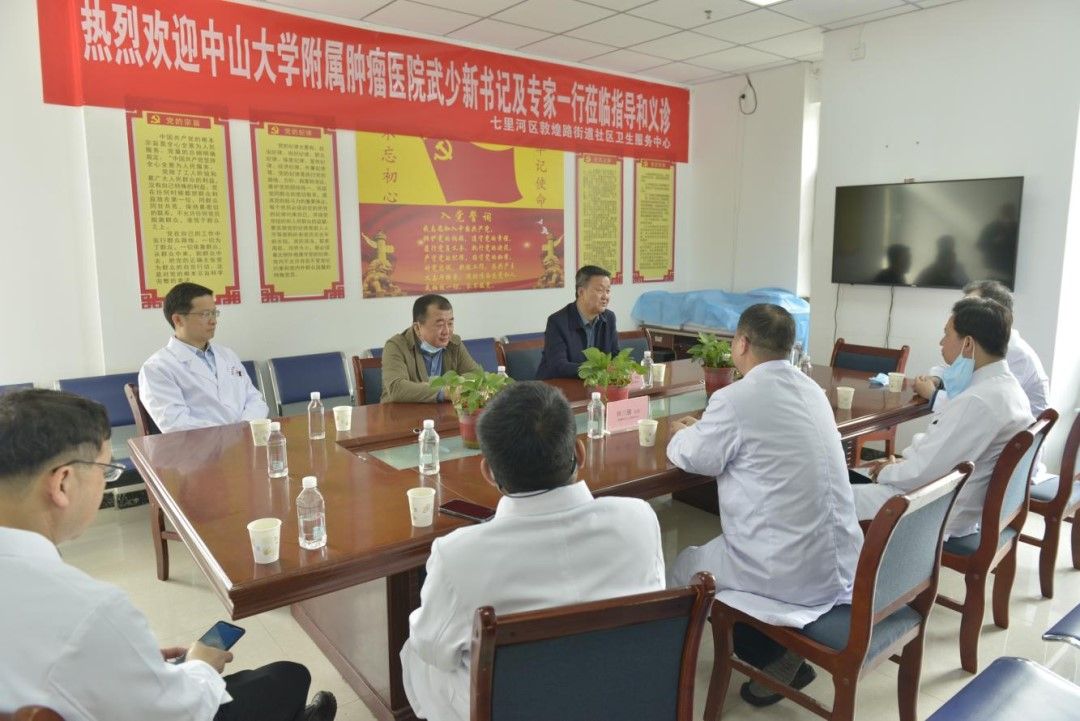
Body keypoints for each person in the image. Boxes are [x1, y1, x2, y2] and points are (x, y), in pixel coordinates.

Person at [0, 389, 335, 721]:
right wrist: (201, 664)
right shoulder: (90, 611)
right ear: (63, 483)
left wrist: (127, 661)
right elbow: (181, 711)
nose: (105, 483)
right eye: (105, 471)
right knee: (288, 676)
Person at [400, 382, 665, 721]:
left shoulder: (458, 556)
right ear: (580, 452)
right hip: (619, 700)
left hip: (512, 708)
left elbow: (432, 649)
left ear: (488, 472)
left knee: (418, 653)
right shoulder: (639, 518)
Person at [666, 304, 862, 707]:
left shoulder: (735, 399)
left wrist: (680, 433)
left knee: (684, 568)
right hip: (841, 559)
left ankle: (758, 658)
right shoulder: (811, 390)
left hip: (783, 566)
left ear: (741, 343)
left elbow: (695, 457)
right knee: (712, 557)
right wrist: (707, 431)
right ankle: (778, 652)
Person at [854, 297, 1033, 537]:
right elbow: (936, 461)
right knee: (848, 484)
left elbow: (923, 474)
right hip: (956, 502)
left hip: (934, 513)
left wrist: (885, 471)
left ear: (968, 344)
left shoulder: (978, 401)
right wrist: (899, 466)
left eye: (946, 334)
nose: (941, 342)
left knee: (830, 498)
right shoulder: (1008, 389)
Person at [139, 283, 268, 433]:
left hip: (246, 437)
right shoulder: (157, 368)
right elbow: (176, 424)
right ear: (178, 320)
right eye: (205, 314)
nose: (213, 321)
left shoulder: (227, 355)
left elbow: (255, 400)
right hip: (199, 446)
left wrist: (243, 428)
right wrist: (229, 434)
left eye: (214, 313)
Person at [914, 279, 1049, 416]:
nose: (961, 313)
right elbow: (956, 370)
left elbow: (975, 404)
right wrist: (938, 380)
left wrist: (933, 395)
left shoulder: (1014, 352)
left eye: (970, 307)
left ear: (990, 312)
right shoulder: (988, 343)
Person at [381, 294, 481, 403]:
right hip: (401, 412)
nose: (446, 331)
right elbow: (396, 388)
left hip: (442, 412)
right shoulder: (396, 346)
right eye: (440, 324)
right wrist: (444, 392)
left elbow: (476, 376)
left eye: (450, 323)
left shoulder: (454, 343)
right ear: (417, 328)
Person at [535, 265, 619, 379]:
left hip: (594, 384)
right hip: (557, 385)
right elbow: (558, 366)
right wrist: (597, 370)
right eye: (600, 290)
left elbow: (615, 356)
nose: (605, 296)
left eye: (608, 291)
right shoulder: (557, 322)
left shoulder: (609, 318)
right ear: (581, 292)